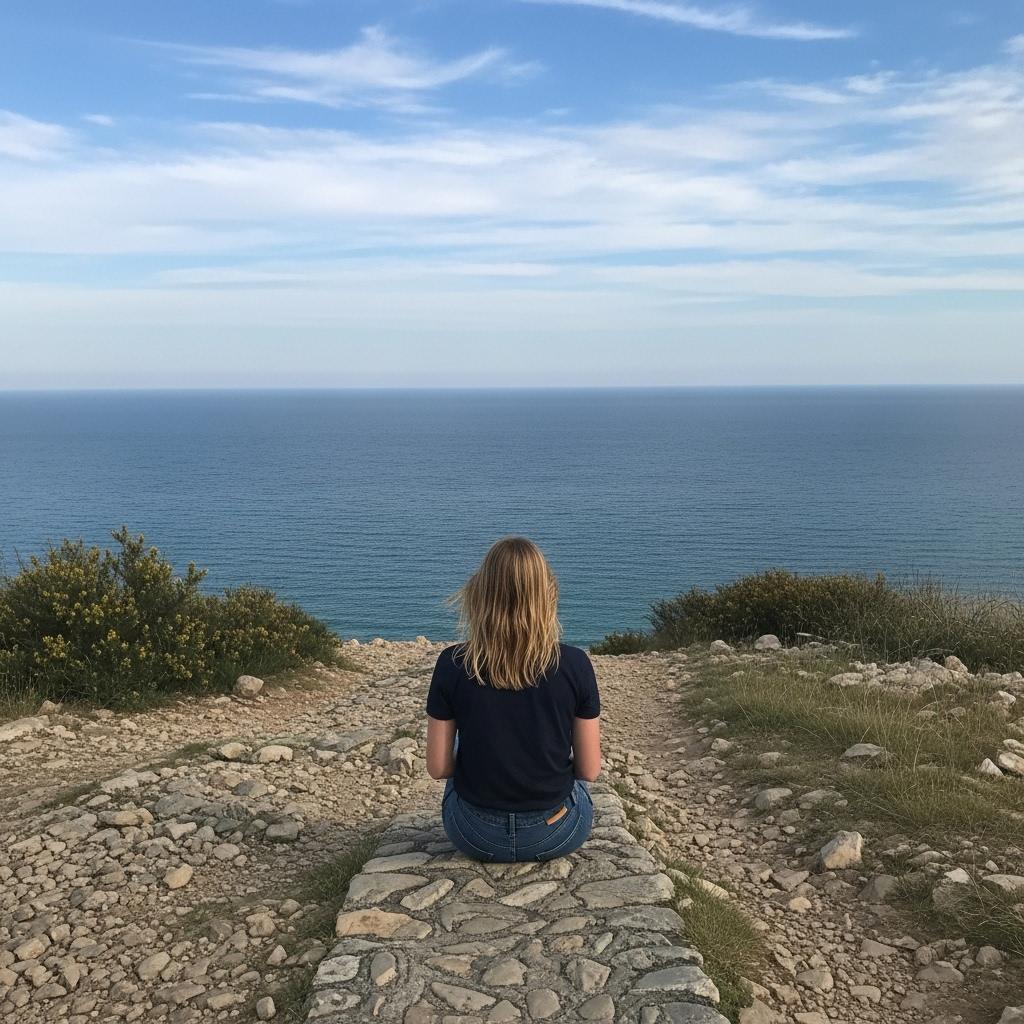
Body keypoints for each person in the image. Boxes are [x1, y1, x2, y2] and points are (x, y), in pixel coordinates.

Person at [425, 536, 601, 863]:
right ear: (547, 595)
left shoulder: (452, 664)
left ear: (480, 594)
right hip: (556, 832)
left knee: (461, 746)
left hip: (474, 834)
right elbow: (589, 770)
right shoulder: (575, 664)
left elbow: (438, 768)